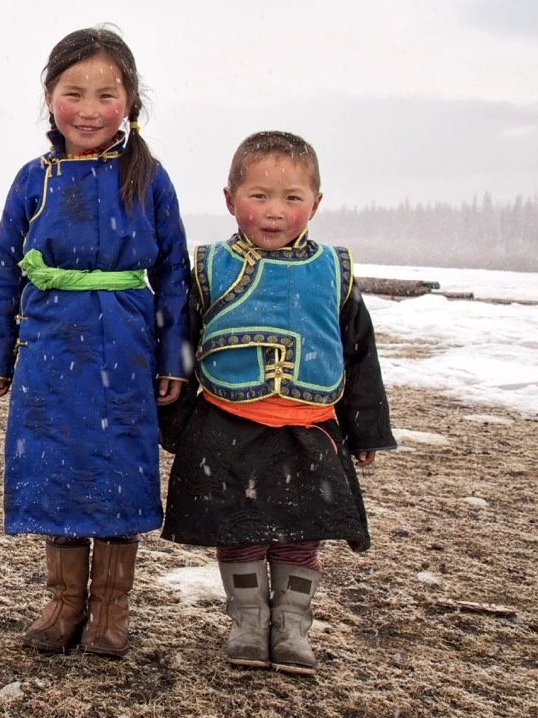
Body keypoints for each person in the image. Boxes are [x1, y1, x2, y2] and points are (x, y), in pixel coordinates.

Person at [0, 25, 190, 656]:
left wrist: (174, 358)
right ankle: (64, 602)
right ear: (49, 98)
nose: (89, 110)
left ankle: (109, 609)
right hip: (50, 350)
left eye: (106, 95)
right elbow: (4, 272)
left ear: (130, 102)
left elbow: (174, 275)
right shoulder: (32, 180)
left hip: (127, 348)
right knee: (58, 469)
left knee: (120, 472)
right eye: (74, 93)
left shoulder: (149, 179)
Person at [159, 130, 396, 675]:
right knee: (239, 529)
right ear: (229, 199)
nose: (274, 211)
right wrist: (177, 424)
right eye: (259, 195)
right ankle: (247, 622)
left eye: (292, 198)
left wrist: (365, 429)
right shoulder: (210, 267)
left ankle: (291, 627)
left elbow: (358, 352)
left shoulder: (334, 270)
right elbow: (181, 345)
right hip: (228, 425)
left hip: (309, 429)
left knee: (300, 531)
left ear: (316, 202)